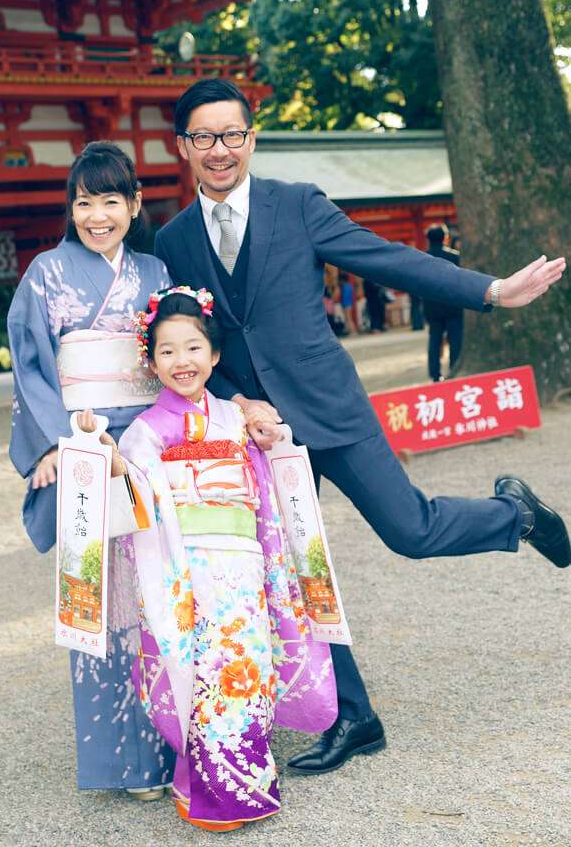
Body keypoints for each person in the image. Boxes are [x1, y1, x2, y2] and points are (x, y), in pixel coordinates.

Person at [153, 77, 569, 778]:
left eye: (231, 134)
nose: (218, 149)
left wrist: (490, 292)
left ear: (251, 138)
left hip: (331, 408)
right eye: (203, 137)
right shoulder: (173, 239)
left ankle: (516, 517)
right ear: (183, 147)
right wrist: (236, 400)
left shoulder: (297, 205)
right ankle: (354, 716)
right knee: (295, 574)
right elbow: (185, 341)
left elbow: (388, 259)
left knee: (411, 530)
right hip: (265, 434)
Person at [115, 288, 337, 830]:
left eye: (193, 348)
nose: (181, 361)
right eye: (166, 352)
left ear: (215, 355)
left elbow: (266, 483)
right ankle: (212, 795)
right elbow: (134, 502)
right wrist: (120, 471)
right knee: (204, 675)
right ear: (152, 361)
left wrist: (271, 438)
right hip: (187, 569)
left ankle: (244, 784)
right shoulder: (145, 430)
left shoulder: (236, 419)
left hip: (244, 564)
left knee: (249, 669)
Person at [7, 141, 176, 799]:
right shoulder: (45, 275)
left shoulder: (156, 274)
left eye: (111, 200)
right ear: (70, 208)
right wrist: (53, 443)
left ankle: (176, 742)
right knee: (103, 603)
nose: (97, 214)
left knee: (164, 590)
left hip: (150, 443)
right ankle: (125, 763)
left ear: (135, 205)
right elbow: (30, 365)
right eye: (84, 202)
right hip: (83, 446)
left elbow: (173, 357)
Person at [423, 223, 464, 381]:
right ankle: (454, 368)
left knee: (434, 341)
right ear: (445, 238)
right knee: (456, 340)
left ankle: (435, 373)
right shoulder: (455, 257)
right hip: (453, 304)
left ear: (428, 239)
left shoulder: (424, 259)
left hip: (432, 306)